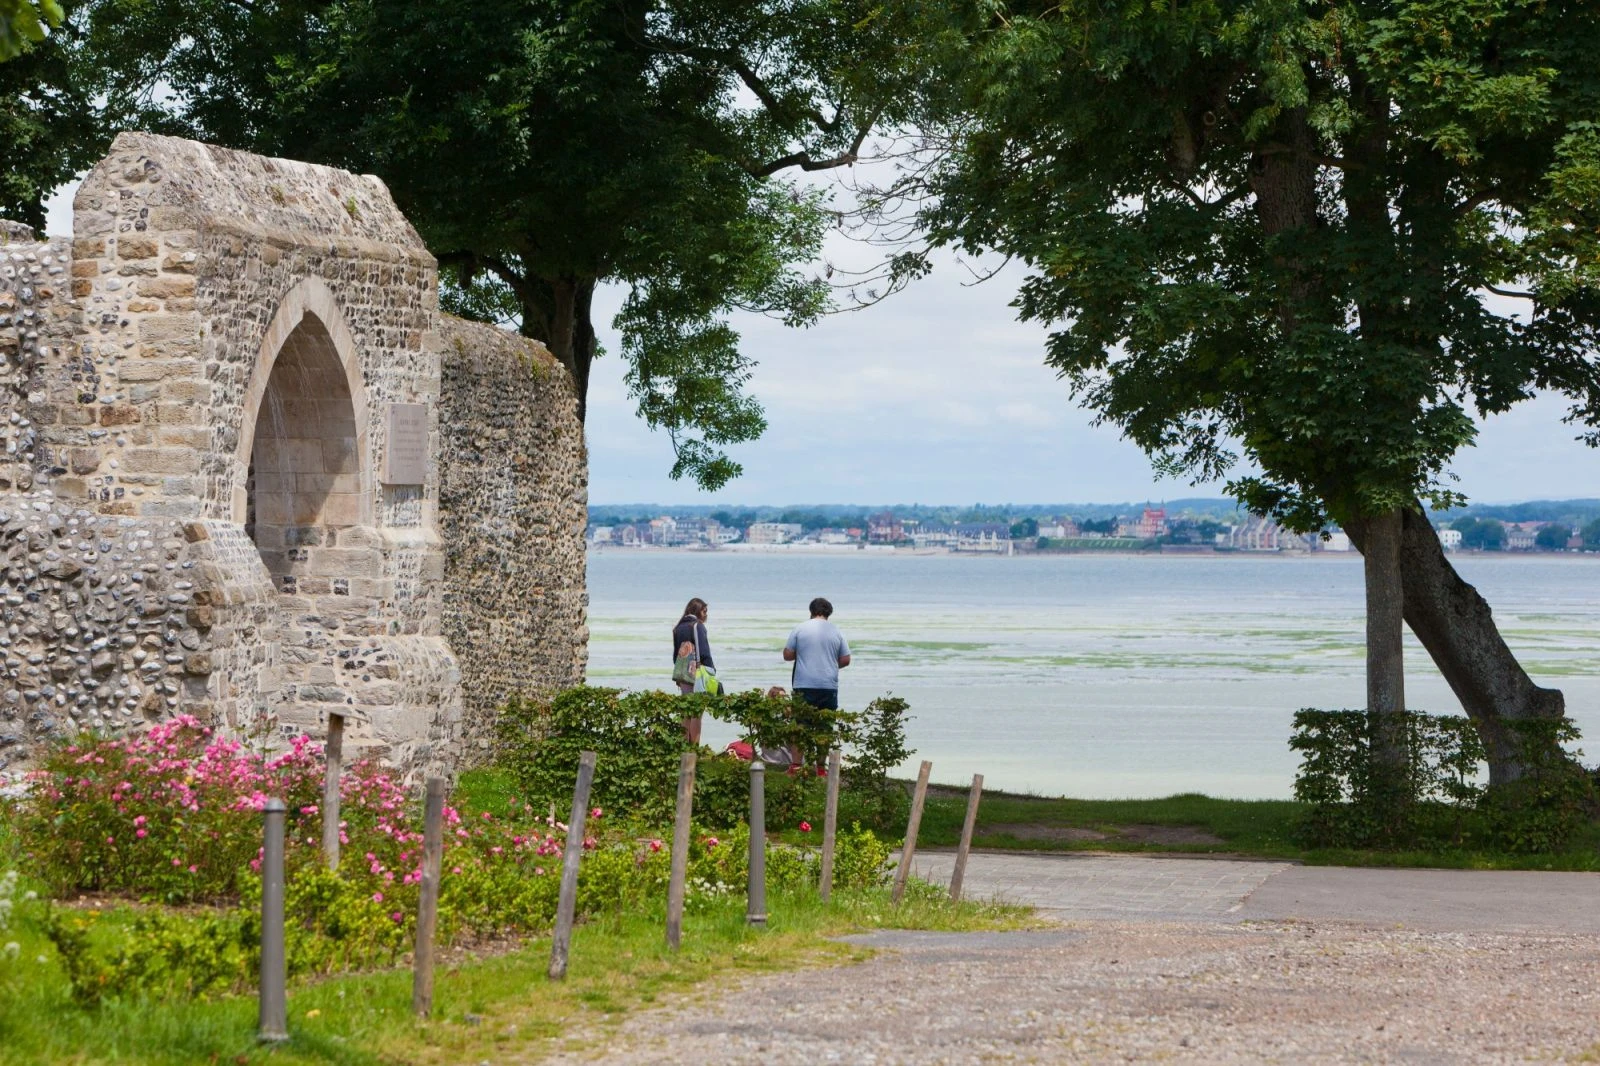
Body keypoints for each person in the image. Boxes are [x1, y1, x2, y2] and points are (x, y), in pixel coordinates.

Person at [782, 597, 851, 712]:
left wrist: (802, 653)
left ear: (811, 611)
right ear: (829, 613)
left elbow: (787, 655)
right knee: (826, 724)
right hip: (828, 685)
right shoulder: (837, 631)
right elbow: (846, 659)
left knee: (802, 724)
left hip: (804, 684)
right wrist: (830, 664)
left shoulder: (800, 628)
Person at [671, 598, 714, 743]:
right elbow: (704, 652)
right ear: (697, 611)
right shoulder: (698, 626)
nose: (706, 614)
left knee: (686, 712)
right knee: (697, 712)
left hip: (683, 674)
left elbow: (676, 654)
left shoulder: (678, 628)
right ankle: (695, 746)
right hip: (697, 673)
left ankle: (684, 745)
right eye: (704, 611)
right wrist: (711, 670)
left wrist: (679, 676)